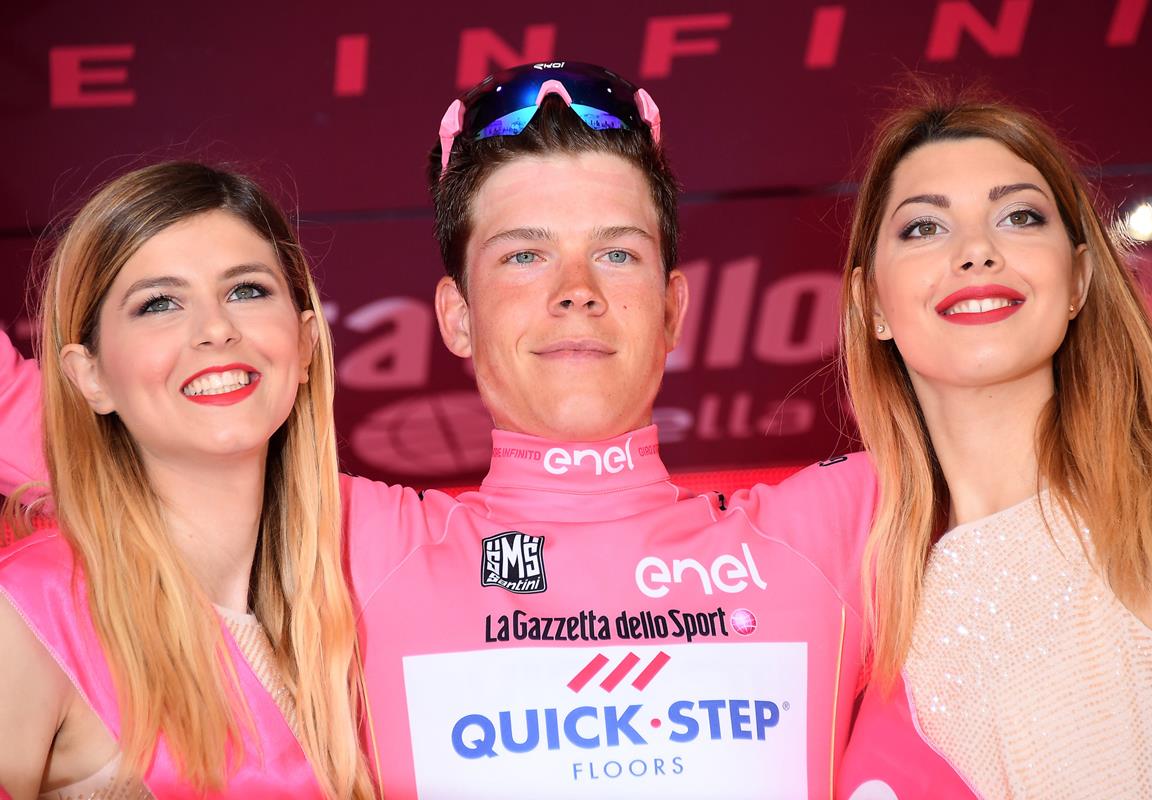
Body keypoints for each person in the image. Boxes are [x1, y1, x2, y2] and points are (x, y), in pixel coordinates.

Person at [0, 62, 895, 799]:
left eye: (617, 252)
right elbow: (148, 422)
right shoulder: (344, 544)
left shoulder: (842, 526)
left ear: (673, 308)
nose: (576, 290)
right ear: (455, 317)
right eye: (524, 255)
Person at [835, 89, 1152, 798]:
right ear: (870, 303)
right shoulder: (865, 607)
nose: (976, 251)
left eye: (1020, 216)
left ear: (1079, 280)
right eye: (924, 228)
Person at [0, 164, 374, 797]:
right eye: (159, 303)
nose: (216, 328)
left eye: (247, 290)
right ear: (90, 376)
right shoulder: (30, 613)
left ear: (307, 342)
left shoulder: (353, 610)